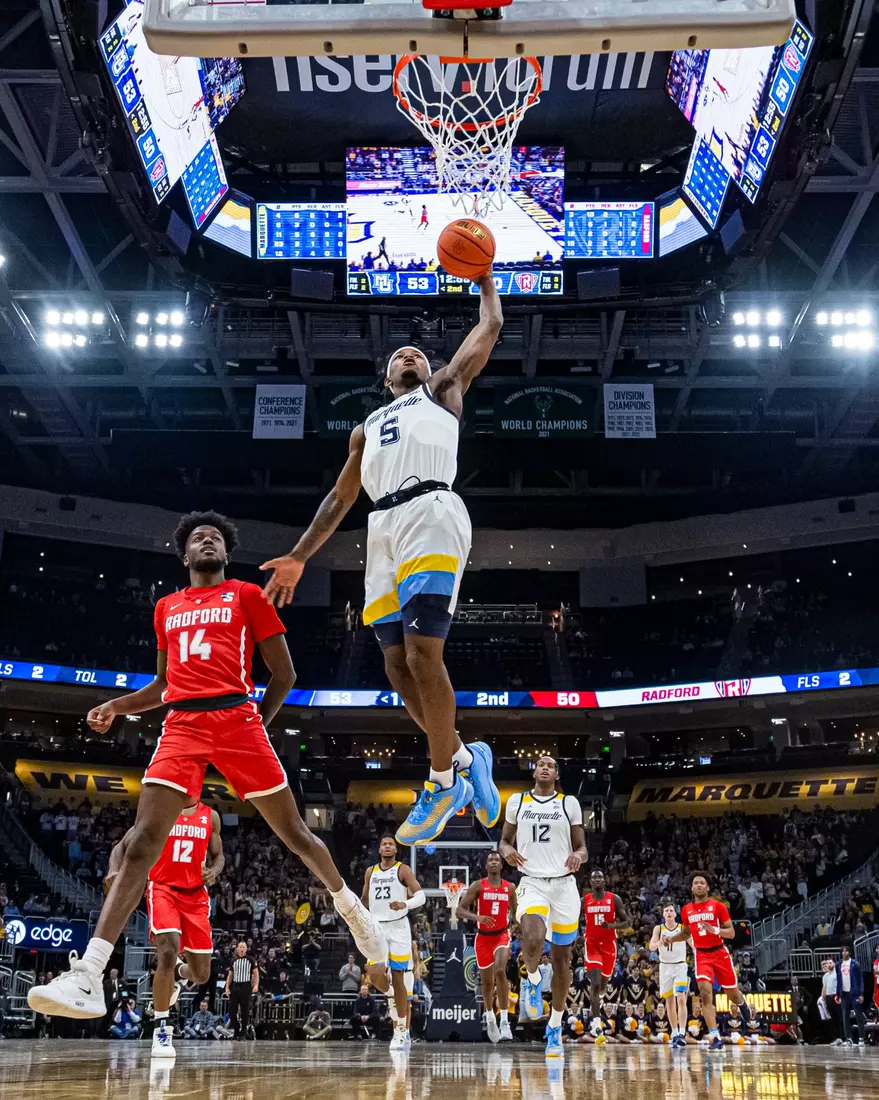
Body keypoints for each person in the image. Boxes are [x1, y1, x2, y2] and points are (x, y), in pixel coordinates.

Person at [29, 511, 385, 1020]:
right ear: (185, 554)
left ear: (226, 553)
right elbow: (162, 686)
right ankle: (89, 974)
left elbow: (284, 673)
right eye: (198, 537)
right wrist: (116, 706)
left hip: (237, 718)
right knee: (141, 843)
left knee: (295, 835)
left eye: (216, 537)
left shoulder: (247, 595)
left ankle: (350, 906)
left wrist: (258, 724)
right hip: (183, 725)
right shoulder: (166, 607)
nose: (208, 540)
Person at [260, 281, 503, 847]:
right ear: (386, 380)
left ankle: (443, 781)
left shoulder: (443, 388)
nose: (410, 356)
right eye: (400, 356)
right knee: (396, 667)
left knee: (422, 654)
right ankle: (467, 758)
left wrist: (485, 279)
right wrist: (299, 555)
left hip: (431, 509)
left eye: (417, 353)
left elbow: (489, 327)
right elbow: (340, 497)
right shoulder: (364, 429)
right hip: (382, 529)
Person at [106, 798, 223, 1058]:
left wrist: (214, 871)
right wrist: (113, 871)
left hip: (195, 896)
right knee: (168, 952)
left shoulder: (211, 817)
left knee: (201, 975)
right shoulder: (160, 808)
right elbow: (121, 846)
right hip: (162, 888)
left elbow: (219, 856)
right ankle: (161, 1029)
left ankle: (179, 974)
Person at [500, 755, 588, 1059]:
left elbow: (582, 848)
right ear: (534, 772)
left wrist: (578, 856)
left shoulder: (569, 803)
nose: (545, 767)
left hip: (564, 886)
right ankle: (533, 978)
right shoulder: (517, 801)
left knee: (563, 962)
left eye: (550, 764)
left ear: (557, 774)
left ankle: (554, 1026)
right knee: (534, 938)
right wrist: (507, 851)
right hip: (532, 882)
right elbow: (504, 841)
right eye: (540, 764)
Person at [661, 871, 752, 1051]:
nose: (699, 885)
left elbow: (731, 933)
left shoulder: (717, 906)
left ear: (708, 887)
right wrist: (671, 939)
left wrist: (714, 930)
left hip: (720, 952)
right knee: (704, 993)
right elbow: (686, 934)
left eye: (702, 883)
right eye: (696, 883)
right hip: (702, 955)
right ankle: (715, 1036)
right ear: (691, 888)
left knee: (732, 994)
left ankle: (741, 1003)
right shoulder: (686, 909)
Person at [362, 834, 425, 1051]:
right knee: (374, 974)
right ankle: (390, 994)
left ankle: (401, 1031)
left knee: (398, 975)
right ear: (379, 849)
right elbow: (364, 900)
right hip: (376, 927)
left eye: (391, 844)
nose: (388, 846)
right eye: (384, 844)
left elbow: (421, 896)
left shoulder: (403, 870)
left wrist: (405, 904)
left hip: (398, 927)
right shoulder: (370, 872)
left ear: (396, 850)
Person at [454, 850, 517, 1043]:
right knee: (487, 983)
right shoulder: (478, 885)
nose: (494, 862)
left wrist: (517, 928)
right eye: (491, 860)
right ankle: (490, 1017)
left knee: (500, 971)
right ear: (486, 865)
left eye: (497, 860)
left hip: (501, 935)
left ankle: (504, 1021)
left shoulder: (510, 887)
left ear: (502, 865)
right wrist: (478, 917)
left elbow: (516, 913)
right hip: (483, 938)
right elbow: (459, 910)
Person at [581, 869, 630, 1046]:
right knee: (594, 984)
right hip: (591, 944)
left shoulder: (614, 899)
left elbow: (626, 922)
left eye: (600, 877)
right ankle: (596, 1024)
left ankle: (600, 998)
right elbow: (572, 919)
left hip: (609, 945)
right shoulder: (584, 900)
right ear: (590, 881)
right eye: (594, 877)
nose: (597, 880)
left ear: (604, 880)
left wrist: (611, 926)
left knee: (602, 985)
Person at [649, 901, 690, 1050]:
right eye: (666, 911)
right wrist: (660, 942)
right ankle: (675, 1033)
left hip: (680, 966)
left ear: (675, 913)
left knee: (681, 998)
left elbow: (693, 944)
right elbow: (651, 946)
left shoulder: (682, 928)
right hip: (665, 967)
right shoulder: (658, 929)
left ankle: (682, 1033)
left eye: (671, 910)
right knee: (670, 1002)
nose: (669, 913)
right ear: (663, 914)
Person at [225, 940, 258, 1039]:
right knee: (232, 1011)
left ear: (246, 949)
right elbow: (230, 975)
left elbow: (256, 973)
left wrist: (256, 985)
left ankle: (243, 1032)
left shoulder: (251, 959)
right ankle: (236, 1028)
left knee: (245, 1011)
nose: (242, 949)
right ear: (237, 949)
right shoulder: (233, 960)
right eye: (240, 947)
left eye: (244, 947)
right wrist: (227, 987)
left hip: (246, 986)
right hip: (235, 986)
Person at [836, 945, 866, 1045]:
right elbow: (838, 980)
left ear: (849, 952)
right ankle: (848, 1038)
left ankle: (861, 1038)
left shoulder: (855, 964)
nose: (844, 953)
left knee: (858, 1015)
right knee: (845, 1017)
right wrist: (838, 993)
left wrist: (861, 993)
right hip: (844, 993)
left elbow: (860, 979)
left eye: (846, 951)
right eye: (843, 951)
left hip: (854, 993)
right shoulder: (838, 964)